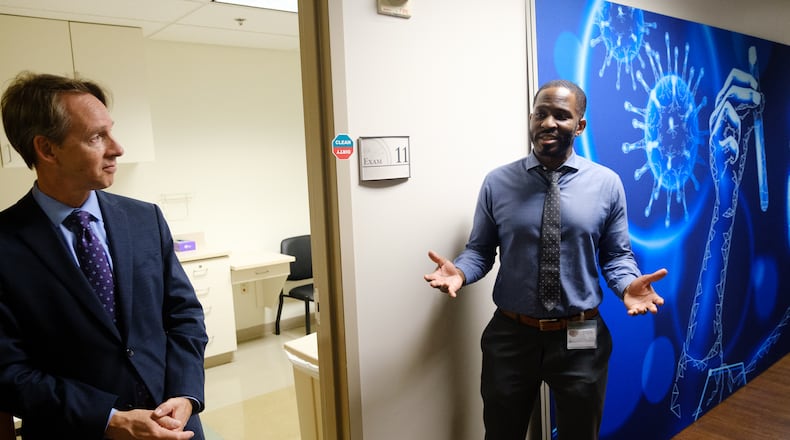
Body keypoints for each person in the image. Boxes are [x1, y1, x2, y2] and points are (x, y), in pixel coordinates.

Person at [424, 79, 667, 439]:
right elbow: (480, 250)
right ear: (531, 119)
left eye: (561, 115)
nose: (548, 123)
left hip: (580, 334)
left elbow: (616, 256)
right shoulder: (497, 182)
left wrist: (627, 285)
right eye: (541, 114)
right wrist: (460, 272)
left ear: (579, 126)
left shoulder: (606, 184)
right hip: (511, 336)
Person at [0, 72, 208, 439]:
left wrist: (185, 394)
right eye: (97, 137)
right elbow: (8, 371)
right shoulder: (6, 243)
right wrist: (110, 420)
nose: (118, 148)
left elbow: (184, 315)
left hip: (175, 426)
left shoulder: (145, 219)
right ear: (47, 149)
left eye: (111, 132)